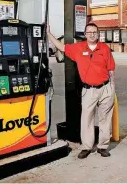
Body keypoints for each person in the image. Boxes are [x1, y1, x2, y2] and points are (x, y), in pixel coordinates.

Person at [47, 23, 116, 159]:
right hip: (88, 90)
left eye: (94, 32)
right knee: (86, 119)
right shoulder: (78, 48)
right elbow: (61, 47)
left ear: (98, 33)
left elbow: (111, 69)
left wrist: (112, 87)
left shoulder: (104, 48)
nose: (92, 34)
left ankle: (102, 146)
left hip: (105, 88)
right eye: (89, 32)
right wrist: (49, 34)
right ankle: (87, 147)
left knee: (105, 119)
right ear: (85, 34)